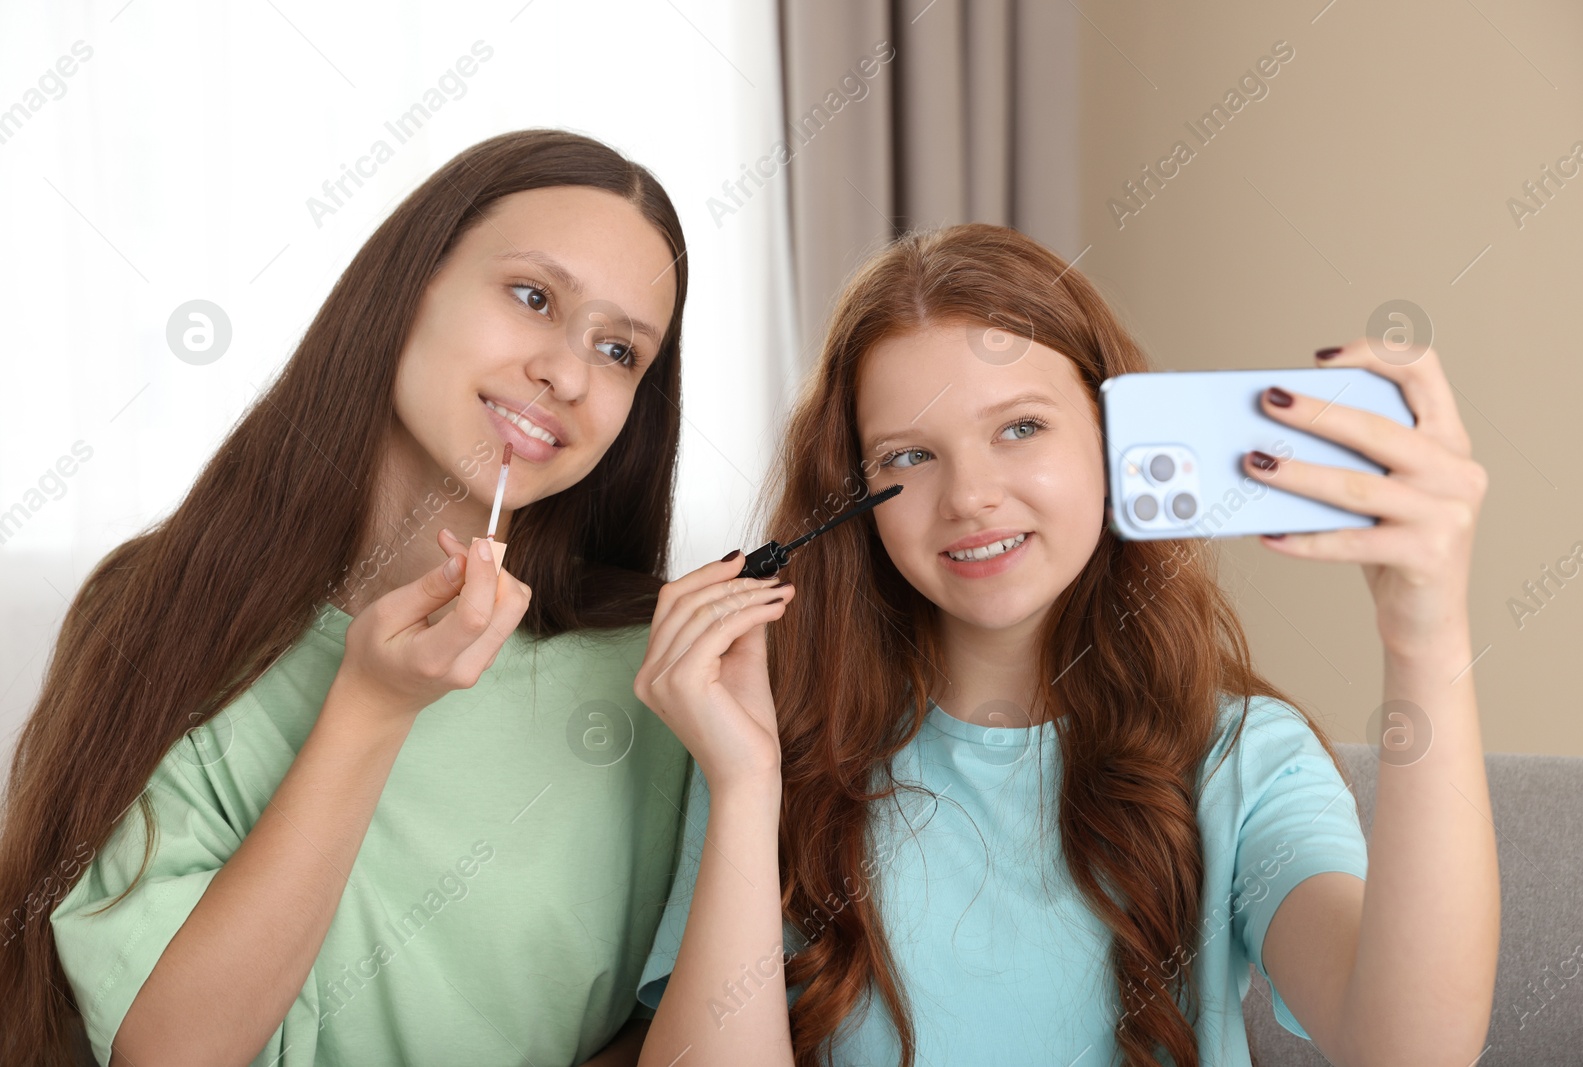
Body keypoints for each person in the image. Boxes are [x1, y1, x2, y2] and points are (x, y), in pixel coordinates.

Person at [629, 223, 1498, 1066]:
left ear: (1112, 439)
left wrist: (1425, 629)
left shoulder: (1244, 759)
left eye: (1020, 427)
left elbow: (1407, 1049)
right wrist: (745, 786)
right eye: (908, 457)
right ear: (852, 494)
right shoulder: (776, 748)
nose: (970, 495)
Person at [0, 129, 693, 1067]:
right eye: (533, 297)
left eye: (619, 350)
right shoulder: (158, 610)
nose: (568, 374)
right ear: (409, 284)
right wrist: (371, 708)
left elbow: (696, 1019)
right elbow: (174, 1051)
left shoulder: (662, 670)